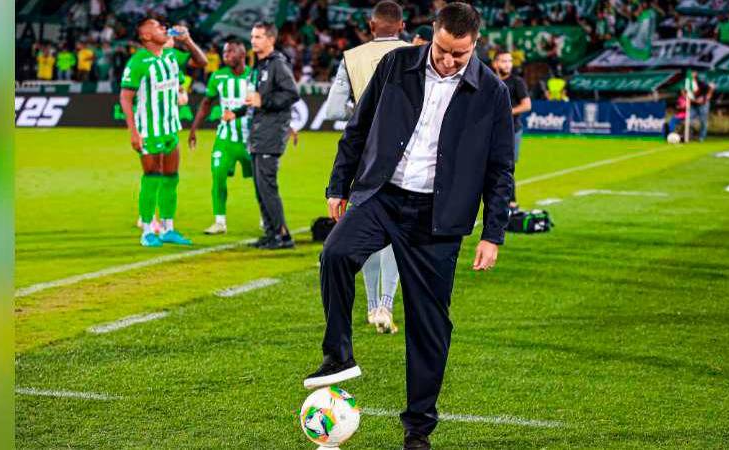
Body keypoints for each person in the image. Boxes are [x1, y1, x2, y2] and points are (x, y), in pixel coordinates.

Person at [306, 4, 515, 449]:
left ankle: (418, 429)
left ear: (474, 44)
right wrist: (338, 184)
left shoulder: (492, 92)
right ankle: (337, 356)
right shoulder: (396, 64)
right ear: (431, 36)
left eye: (459, 54)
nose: (448, 60)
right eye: (442, 49)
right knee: (336, 254)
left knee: (429, 326)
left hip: (437, 219)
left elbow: (500, 170)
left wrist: (493, 234)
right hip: (382, 195)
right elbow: (357, 128)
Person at [325, 0, 411, 335]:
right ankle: (387, 305)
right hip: (406, 155)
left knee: (365, 225)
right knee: (394, 232)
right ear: (401, 26)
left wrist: (360, 111)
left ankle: (372, 304)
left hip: (364, 156)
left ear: (371, 27)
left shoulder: (352, 57)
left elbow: (334, 108)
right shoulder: (415, 53)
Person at [119, 18, 207, 247]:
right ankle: (147, 231)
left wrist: (186, 39)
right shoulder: (138, 62)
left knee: (171, 179)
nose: (163, 28)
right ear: (146, 36)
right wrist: (133, 132)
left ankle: (168, 229)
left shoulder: (171, 57)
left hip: (170, 129)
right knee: (151, 178)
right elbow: (125, 98)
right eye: (158, 27)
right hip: (149, 132)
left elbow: (202, 61)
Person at [188, 39, 254, 236]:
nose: (226, 55)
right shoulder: (217, 77)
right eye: (224, 52)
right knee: (218, 176)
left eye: (231, 52)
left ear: (242, 55)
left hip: (252, 141)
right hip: (225, 138)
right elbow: (206, 103)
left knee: (261, 182)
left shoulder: (255, 76)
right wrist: (194, 129)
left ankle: (266, 219)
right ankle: (219, 222)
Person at [246, 22, 301, 250]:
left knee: (267, 187)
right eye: (252, 36)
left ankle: (282, 235)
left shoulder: (277, 64)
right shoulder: (259, 65)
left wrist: (264, 101)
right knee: (260, 187)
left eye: (258, 37)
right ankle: (272, 234)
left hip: (270, 134)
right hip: (258, 133)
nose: (253, 41)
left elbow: (292, 93)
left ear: (270, 39)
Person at [494, 51, 530, 210]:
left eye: (509, 61)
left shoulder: (517, 82)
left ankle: (512, 202)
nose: (508, 64)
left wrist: (505, 111)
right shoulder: (489, 79)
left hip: (512, 130)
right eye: (504, 61)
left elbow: (526, 105)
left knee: (506, 166)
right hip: (491, 130)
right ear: (495, 63)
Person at [688, 71, 715, 142]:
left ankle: (701, 137)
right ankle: (689, 135)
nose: (691, 74)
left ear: (696, 74)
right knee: (688, 120)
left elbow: (711, 88)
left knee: (703, 121)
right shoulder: (687, 83)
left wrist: (705, 98)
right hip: (694, 105)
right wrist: (693, 100)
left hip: (703, 104)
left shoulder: (701, 83)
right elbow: (685, 93)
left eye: (693, 72)